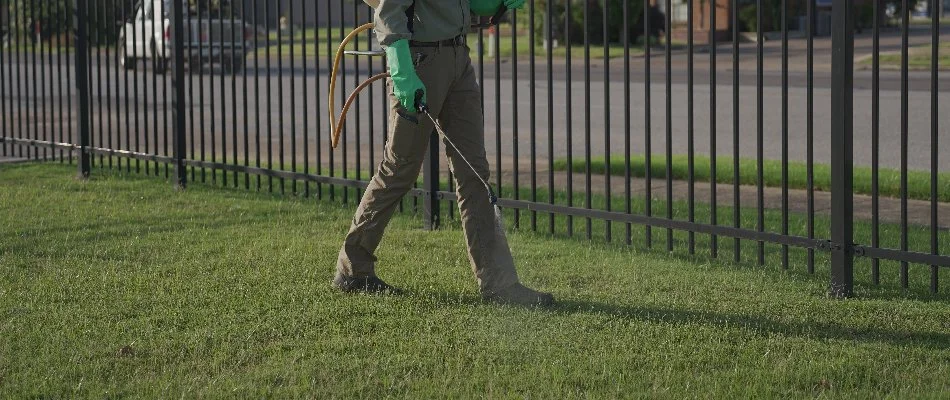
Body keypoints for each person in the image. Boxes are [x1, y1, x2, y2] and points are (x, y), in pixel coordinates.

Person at [333, 0, 554, 307]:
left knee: (474, 171)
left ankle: (499, 284)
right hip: (420, 61)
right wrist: (401, 68)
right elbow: (388, 9)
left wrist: (496, 2)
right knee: (400, 168)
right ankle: (353, 269)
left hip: (458, 58)